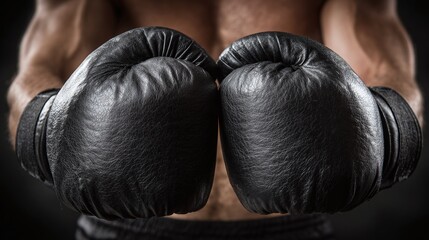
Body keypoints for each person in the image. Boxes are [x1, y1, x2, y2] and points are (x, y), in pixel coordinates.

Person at [7, 0, 423, 239]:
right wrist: (47, 127)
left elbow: (387, 72)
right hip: (124, 229)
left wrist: (385, 126)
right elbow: (35, 76)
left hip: (289, 228)